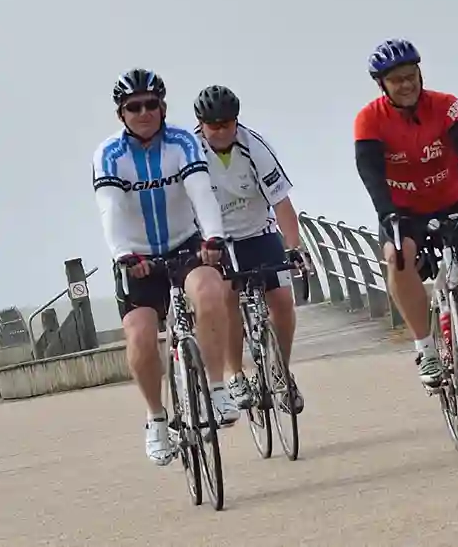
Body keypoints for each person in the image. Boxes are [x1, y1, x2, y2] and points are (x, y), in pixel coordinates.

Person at [92, 68, 240, 467]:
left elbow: (201, 192)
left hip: (184, 245)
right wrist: (124, 254)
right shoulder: (109, 154)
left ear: (163, 107)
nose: (143, 113)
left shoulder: (182, 143)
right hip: (136, 257)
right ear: (121, 114)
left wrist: (213, 237)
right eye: (133, 107)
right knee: (141, 338)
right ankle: (156, 419)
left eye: (150, 105)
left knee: (211, 292)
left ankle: (216, 388)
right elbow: (110, 209)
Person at [354, 38, 458, 400]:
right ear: (382, 85)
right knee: (398, 258)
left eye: (411, 76)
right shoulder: (369, 120)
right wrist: (386, 214)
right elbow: (371, 174)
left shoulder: (446, 105)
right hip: (402, 211)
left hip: (450, 203)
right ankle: (425, 349)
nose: (407, 85)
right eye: (397, 80)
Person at [193, 84, 307, 414]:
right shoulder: (190, 153)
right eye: (213, 125)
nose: (221, 131)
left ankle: (280, 371)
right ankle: (236, 375)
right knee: (226, 297)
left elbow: (282, 203)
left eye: (227, 123)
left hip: (258, 232)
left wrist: (294, 248)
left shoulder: (254, 147)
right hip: (216, 240)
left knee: (282, 301)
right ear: (201, 124)